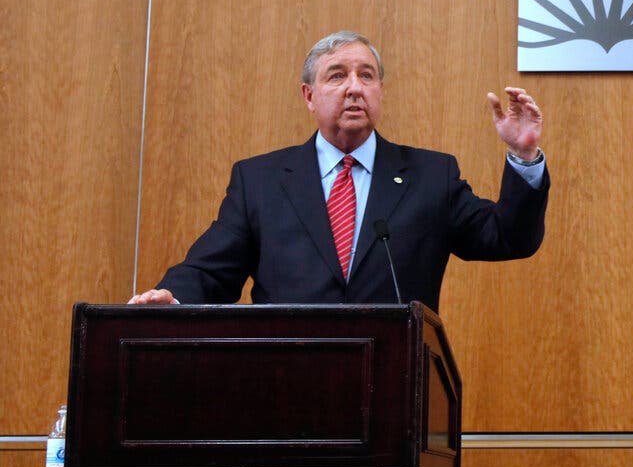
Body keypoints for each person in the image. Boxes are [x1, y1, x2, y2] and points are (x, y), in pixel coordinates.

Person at [129, 30, 548, 311]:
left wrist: (523, 157)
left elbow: (508, 237)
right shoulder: (260, 181)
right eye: (337, 75)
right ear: (309, 96)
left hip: (395, 394)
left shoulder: (430, 175)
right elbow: (210, 269)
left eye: (367, 76)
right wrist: (173, 297)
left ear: (380, 91)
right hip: (287, 396)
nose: (354, 87)